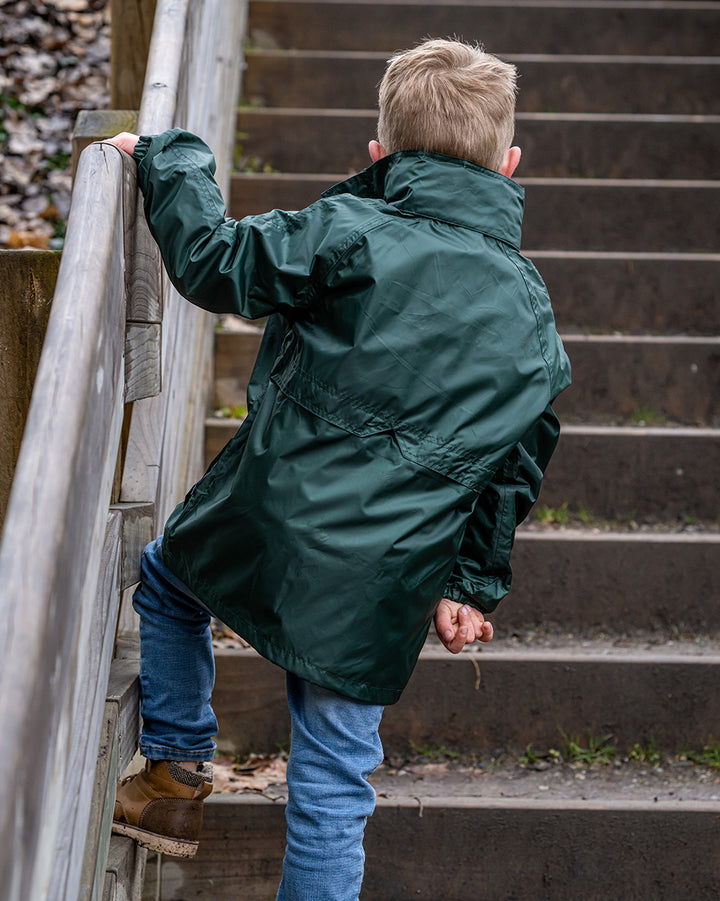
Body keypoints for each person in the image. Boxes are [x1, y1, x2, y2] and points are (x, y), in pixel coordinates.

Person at [108, 38, 571, 899]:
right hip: (384, 579)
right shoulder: (529, 312)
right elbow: (516, 458)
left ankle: (173, 771)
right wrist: (468, 580)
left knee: (169, 584)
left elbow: (215, 262)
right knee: (331, 785)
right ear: (509, 165)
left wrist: (171, 158)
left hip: (265, 518)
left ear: (380, 154)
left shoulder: (348, 228)